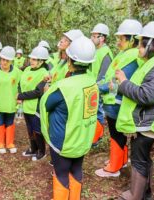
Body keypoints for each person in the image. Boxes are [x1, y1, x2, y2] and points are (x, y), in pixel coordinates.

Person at [115, 21, 154, 200]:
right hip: (147, 122)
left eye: (141, 44)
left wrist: (124, 82)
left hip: (149, 124)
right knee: (143, 159)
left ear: (151, 45)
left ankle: (135, 195)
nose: (138, 48)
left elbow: (147, 95)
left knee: (139, 160)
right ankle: (145, 194)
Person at [40, 36, 98, 199]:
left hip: (63, 141)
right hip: (82, 139)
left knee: (61, 173)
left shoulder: (63, 87)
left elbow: (47, 105)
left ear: (70, 61)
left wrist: (46, 92)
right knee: (77, 169)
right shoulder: (92, 82)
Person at [95, 19, 144, 178]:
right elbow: (109, 76)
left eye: (121, 39)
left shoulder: (132, 56)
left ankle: (113, 168)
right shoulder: (124, 54)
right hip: (112, 101)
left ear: (133, 39)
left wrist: (99, 88)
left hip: (117, 102)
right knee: (118, 135)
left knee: (116, 135)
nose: (118, 42)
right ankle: (121, 161)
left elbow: (117, 81)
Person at [17, 46, 49, 161]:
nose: (32, 61)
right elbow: (20, 84)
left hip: (36, 107)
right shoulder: (26, 70)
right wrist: (20, 93)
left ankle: (42, 151)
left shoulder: (44, 73)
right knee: (30, 129)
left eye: (35, 59)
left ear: (41, 61)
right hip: (26, 106)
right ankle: (33, 149)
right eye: (31, 58)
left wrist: (20, 96)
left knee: (37, 130)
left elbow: (38, 92)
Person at [90, 23, 114, 145]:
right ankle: (93, 138)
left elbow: (104, 75)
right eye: (92, 36)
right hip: (93, 88)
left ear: (102, 38)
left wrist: (97, 88)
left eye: (94, 36)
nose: (92, 38)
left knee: (98, 114)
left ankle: (97, 140)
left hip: (99, 89)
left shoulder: (105, 53)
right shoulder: (96, 51)